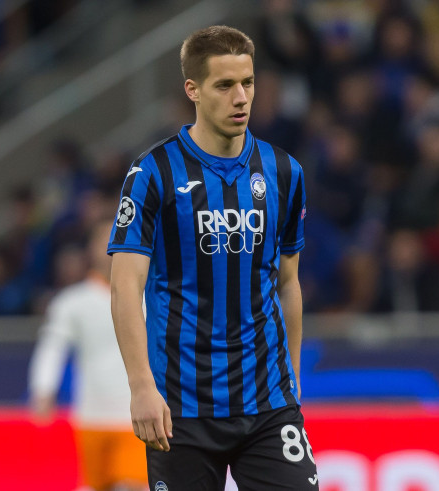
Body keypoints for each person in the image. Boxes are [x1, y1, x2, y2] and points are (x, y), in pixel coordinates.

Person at [107, 25, 318, 490]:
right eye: (224, 85)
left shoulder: (284, 171)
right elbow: (125, 286)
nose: (241, 97)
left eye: (248, 82)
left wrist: (293, 381)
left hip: (267, 403)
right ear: (194, 91)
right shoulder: (153, 173)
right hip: (180, 408)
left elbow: (288, 282)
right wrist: (142, 385)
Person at [28, 219, 148, 491]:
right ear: (91, 249)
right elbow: (53, 345)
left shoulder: (149, 296)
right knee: (93, 485)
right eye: (104, 239)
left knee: (134, 484)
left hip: (137, 415)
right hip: (90, 416)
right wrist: (43, 388)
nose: (112, 246)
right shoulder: (73, 301)